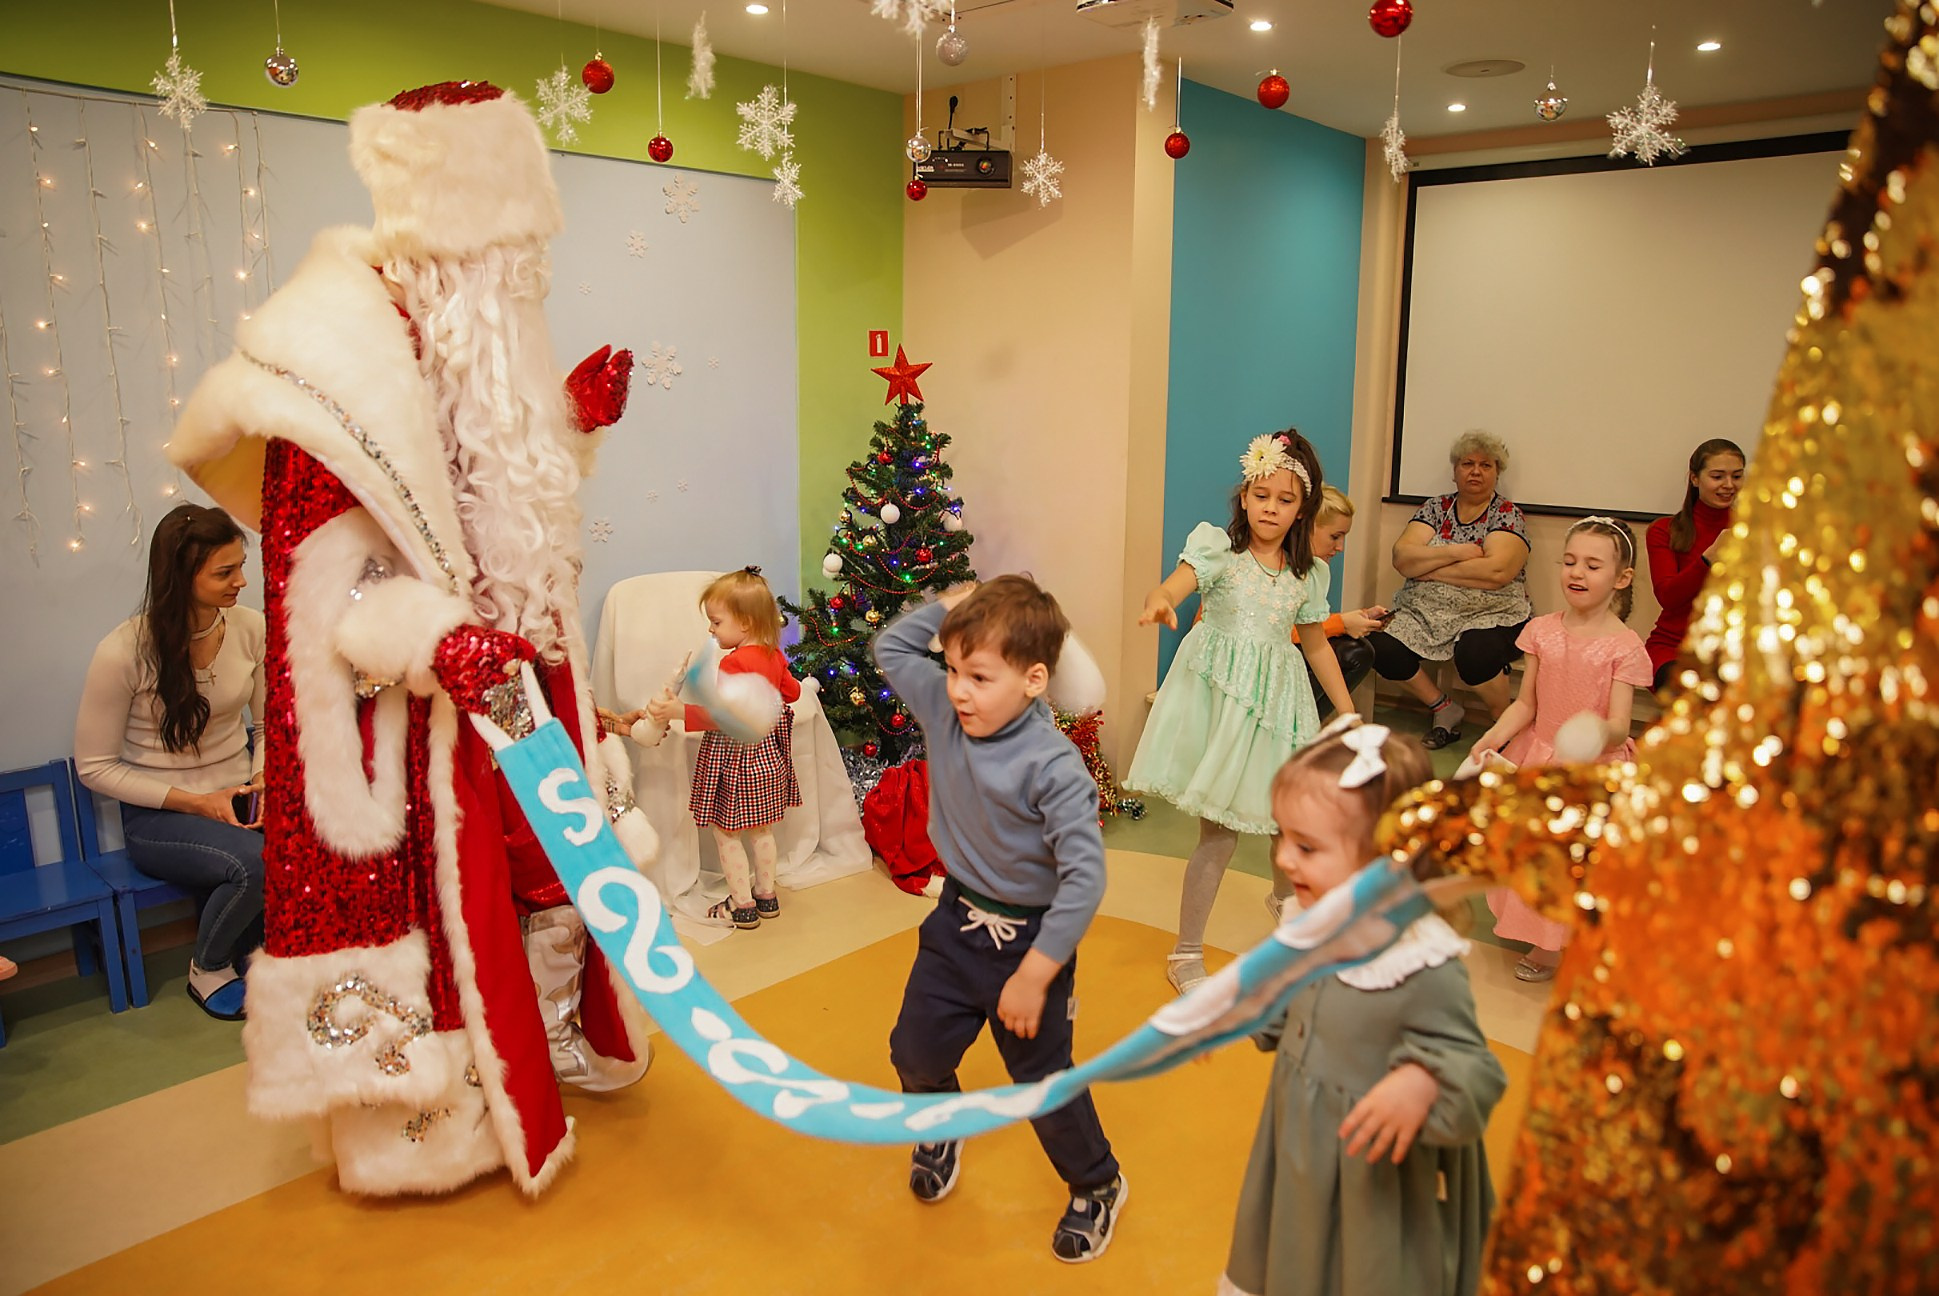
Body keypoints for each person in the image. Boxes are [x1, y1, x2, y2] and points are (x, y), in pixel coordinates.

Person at [167, 80, 652, 1196]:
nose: (520, 288)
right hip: (414, 715)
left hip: (516, 683)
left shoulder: (468, 337)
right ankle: (443, 1112)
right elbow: (325, 582)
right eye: (506, 259)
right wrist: (440, 640)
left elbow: (487, 487)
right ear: (448, 241)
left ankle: (546, 1043)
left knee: (549, 877)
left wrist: (567, 420)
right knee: (448, 914)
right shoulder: (335, 375)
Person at [876, 576, 1127, 1264]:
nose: (958, 689)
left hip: (1030, 943)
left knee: (1041, 1083)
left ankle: (1097, 1183)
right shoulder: (943, 707)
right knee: (914, 1054)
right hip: (954, 924)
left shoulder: (1053, 766)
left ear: (1033, 679)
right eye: (953, 669)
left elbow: (1084, 879)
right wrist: (947, 609)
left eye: (980, 676)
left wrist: (1036, 973)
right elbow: (891, 648)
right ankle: (941, 1124)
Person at [1221, 717, 1506, 1296]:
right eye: (1283, 836)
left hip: (1369, 1182)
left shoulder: (1421, 963)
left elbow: (1476, 1072)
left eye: (1306, 846)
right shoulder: (1315, 926)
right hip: (1300, 1151)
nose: (1283, 859)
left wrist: (1424, 1082)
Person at [1124, 430, 1356, 994]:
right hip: (1225, 704)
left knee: (1286, 819)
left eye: (1284, 500)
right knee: (1221, 834)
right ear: (1244, 497)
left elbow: (1316, 642)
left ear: (1303, 511)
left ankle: (1283, 898)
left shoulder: (1309, 574)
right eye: (1261, 495)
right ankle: (1185, 952)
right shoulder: (1219, 551)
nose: (1270, 509)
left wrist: (1347, 713)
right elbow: (1181, 581)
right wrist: (1161, 599)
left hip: (1280, 705)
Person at [74, 504, 266, 1021]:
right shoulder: (123, 651)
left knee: (316, 836)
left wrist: (261, 777)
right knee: (255, 861)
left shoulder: (250, 629)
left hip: (238, 797)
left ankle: (273, 961)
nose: (242, 582)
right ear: (181, 575)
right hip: (162, 816)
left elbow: (269, 728)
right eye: (225, 572)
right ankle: (208, 968)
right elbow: (93, 767)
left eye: (241, 566)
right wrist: (198, 803)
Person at [1468, 517, 1651, 981]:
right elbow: (1526, 703)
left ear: (1621, 578)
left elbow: (1619, 724)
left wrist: (1593, 733)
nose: (1577, 572)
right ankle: (1542, 934)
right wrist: (1492, 738)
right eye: (1570, 562)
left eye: (1592, 565)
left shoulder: (1624, 646)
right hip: (1540, 754)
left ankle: (1563, 942)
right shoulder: (1542, 631)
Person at [641, 566, 802, 928]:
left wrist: (678, 711)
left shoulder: (734, 661)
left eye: (715, 622)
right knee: (763, 830)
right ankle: (766, 895)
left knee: (727, 832)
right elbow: (792, 692)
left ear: (744, 623)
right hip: (769, 756)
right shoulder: (773, 654)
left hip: (737, 759)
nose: (710, 630)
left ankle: (741, 905)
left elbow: (722, 716)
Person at [1367, 431, 1532, 750]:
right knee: (1378, 642)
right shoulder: (1436, 508)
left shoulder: (1506, 514)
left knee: (1475, 652)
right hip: (1424, 612)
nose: (1475, 471)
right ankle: (1444, 708)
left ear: (1497, 472)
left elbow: (1497, 572)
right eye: (1467, 463)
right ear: (1455, 470)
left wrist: (1430, 566)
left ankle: (1505, 722)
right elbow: (1402, 558)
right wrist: (1459, 552)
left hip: (1491, 614)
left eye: (1486, 464)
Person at [1644, 438, 1746, 691]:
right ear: (1695, 478)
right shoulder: (1664, 531)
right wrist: (1709, 558)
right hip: (1674, 648)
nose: (1728, 485)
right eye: (1718, 476)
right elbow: (1668, 596)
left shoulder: (1751, 531)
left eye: (1737, 476)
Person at [1297, 486, 1388, 716]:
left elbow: (1306, 623)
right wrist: (1341, 623)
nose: (1339, 548)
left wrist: (1356, 619)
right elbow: (1278, 628)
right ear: (1307, 526)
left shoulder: (1313, 571)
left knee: (1358, 650)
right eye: (1335, 537)